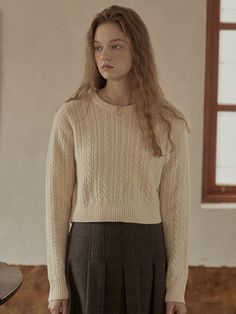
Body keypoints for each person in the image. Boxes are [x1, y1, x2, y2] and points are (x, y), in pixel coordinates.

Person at [45, 5, 191, 314]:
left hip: (147, 252)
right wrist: (57, 281)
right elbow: (55, 205)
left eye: (115, 46)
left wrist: (176, 287)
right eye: (98, 47)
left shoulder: (169, 123)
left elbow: (176, 208)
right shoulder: (72, 117)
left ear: (137, 50)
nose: (104, 56)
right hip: (87, 253)